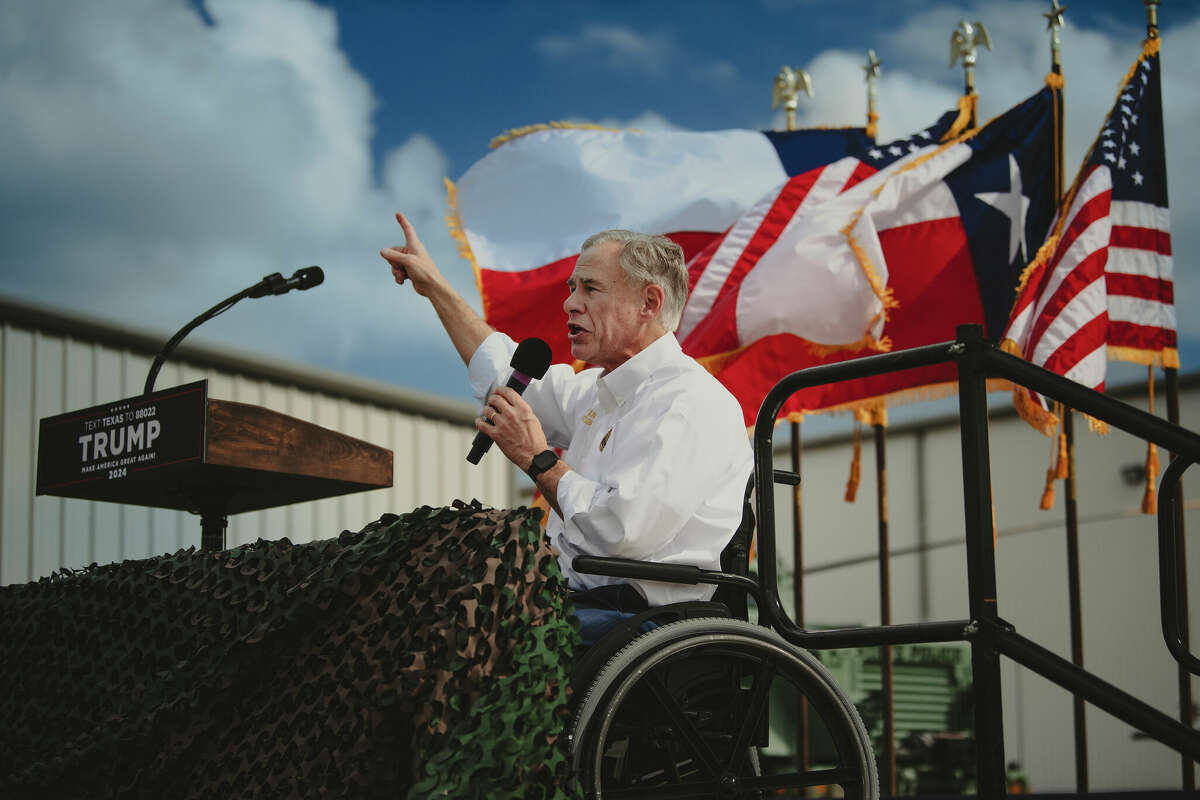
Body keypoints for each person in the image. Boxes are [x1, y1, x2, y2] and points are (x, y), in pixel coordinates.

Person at [381, 212, 753, 644]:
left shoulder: (690, 402)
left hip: (642, 623)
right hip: (574, 599)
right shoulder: (596, 393)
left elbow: (621, 532)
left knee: (465, 636)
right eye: (572, 288)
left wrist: (538, 460)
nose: (570, 303)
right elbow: (504, 375)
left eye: (590, 288)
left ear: (649, 303)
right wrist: (434, 287)